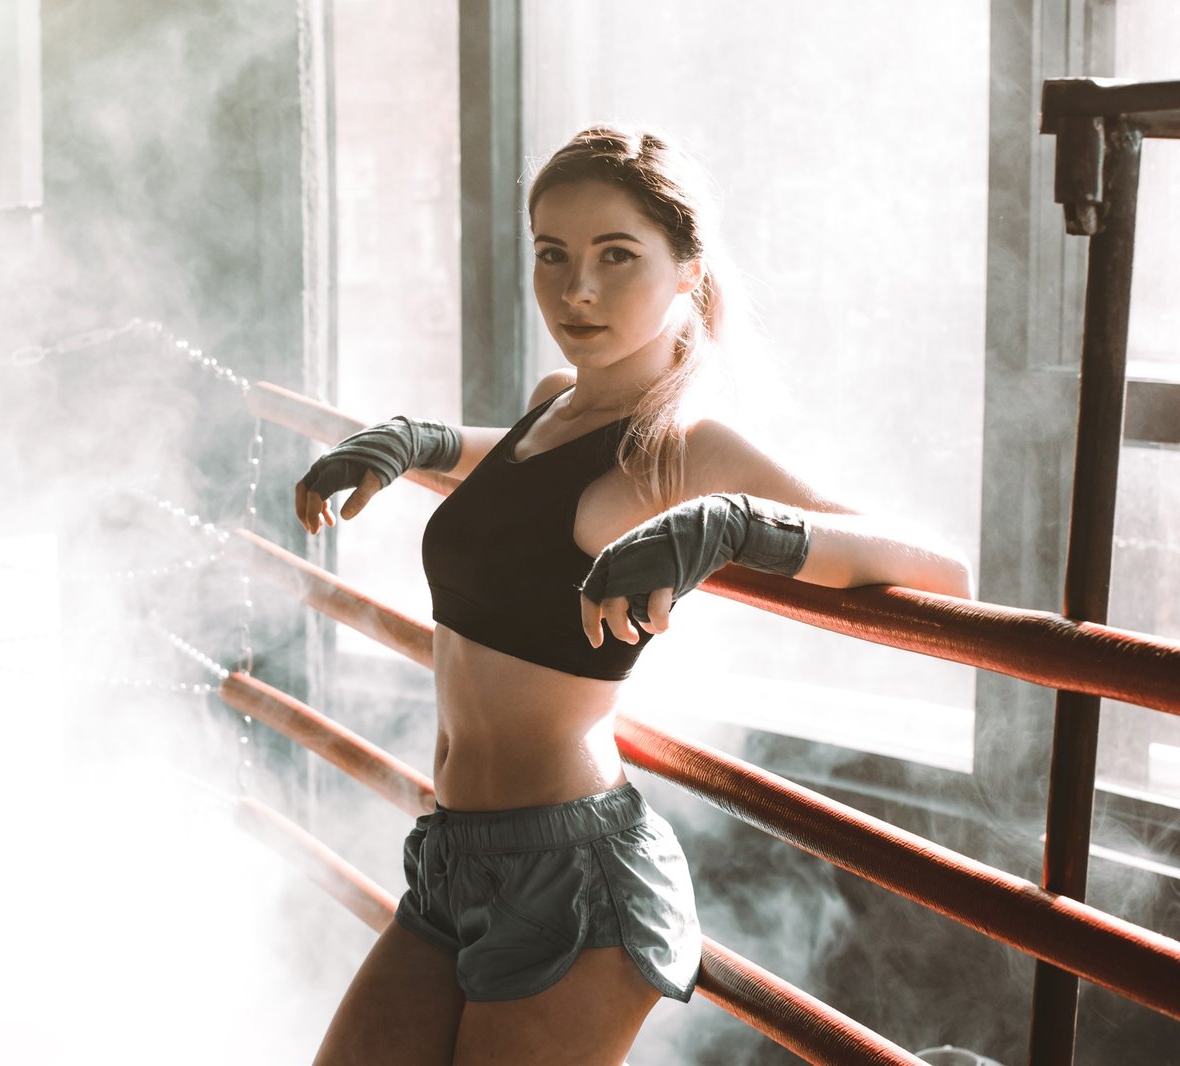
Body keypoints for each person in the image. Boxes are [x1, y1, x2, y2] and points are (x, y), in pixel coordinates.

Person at [294, 125, 972, 1066]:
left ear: (687, 273)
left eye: (618, 257)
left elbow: (943, 570)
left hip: (576, 882)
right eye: (553, 256)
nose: (578, 291)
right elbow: (533, 483)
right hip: (452, 861)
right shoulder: (549, 402)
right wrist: (420, 441)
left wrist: (736, 523)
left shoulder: (689, 446)